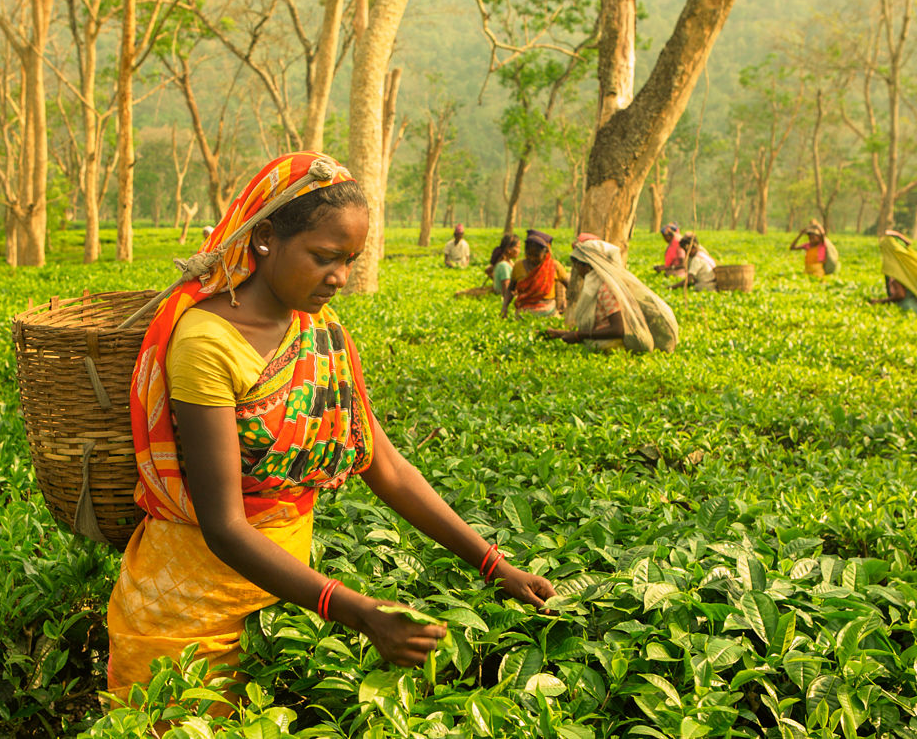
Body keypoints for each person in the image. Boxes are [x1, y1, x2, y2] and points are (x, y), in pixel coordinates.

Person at [107, 152, 555, 711]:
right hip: (187, 608)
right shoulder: (207, 341)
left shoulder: (321, 333)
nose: (340, 277)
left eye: (351, 260)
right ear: (266, 237)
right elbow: (224, 525)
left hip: (279, 604)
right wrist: (358, 612)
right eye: (324, 257)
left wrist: (495, 565)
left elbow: (386, 467)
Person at [545, 238, 679, 353]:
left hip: (613, 346)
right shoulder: (598, 285)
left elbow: (618, 330)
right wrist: (562, 334)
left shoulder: (606, 288)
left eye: (577, 264)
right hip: (604, 342)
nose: (576, 269)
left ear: (588, 266)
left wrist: (578, 335)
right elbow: (600, 324)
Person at [500, 229, 570, 318]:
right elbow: (510, 289)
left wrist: (566, 300)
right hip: (524, 313)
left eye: (536, 256)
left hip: (549, 312)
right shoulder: (518, 266)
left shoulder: (554, 266)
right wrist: (504, 307)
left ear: (546, 253)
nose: (532, 258)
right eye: (529, 254)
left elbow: (570, 286)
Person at [869, 230, 917, 311]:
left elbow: (900, 294)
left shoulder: (893, 266)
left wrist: (880, 301)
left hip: (908, 308)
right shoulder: (911, 261)